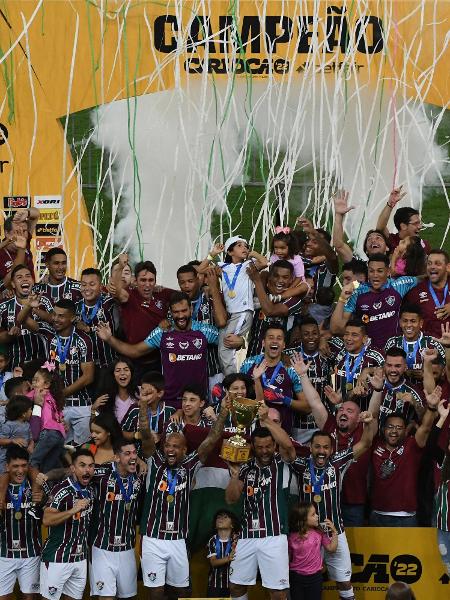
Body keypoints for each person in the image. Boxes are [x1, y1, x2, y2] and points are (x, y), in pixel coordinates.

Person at [139, 394, 230, 599]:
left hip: (178, 539)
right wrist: (143, 408)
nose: (170, 450)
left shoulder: (190, 466)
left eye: (175, 447)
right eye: (167, 446)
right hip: (153, 538)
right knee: (156, 592)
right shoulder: (155, 462)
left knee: (181, 591)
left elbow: (212, 439)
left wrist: (223, 412)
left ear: (184, 450)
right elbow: (145, 434)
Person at [292, 352, 383, 527]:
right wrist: (303, 375)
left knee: (351, 548)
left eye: (350, 411)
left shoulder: (365, 429)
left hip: (353, 502)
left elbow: (373, 413)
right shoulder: (329, 424)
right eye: (341, 410)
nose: (343, 413)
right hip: (325, 499)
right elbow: (315, 403)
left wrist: (377, 390)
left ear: (358, 418)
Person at [291, 419, 376, 600]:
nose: (321, 451)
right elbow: (285, 448)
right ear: (310, 447)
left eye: (326, 447)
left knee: (344, 581)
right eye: (317, 447)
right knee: (305, 581)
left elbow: (366, 443)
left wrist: (369, 424)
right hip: (308, 535)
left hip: (334, 531)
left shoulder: (338, 462)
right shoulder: (301, 465)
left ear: (331, 449)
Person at [97, 291, 219, 409]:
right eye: (176, 312)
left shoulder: (204, 331)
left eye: (184, 311)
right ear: (170, 312)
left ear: (191, 309)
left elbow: (226, 341)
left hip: (197, 403)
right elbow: (134, 351)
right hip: (170, 404)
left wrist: (238, 340)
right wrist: (109, 339)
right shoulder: (162, 332)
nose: (181, 316)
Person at [225, 405, 297, 600]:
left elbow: (288, 446)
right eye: (259, 447)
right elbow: (231, 498)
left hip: (274, 536)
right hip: (247, 535)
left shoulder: (281, 463)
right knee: (236, 586)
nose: (264, 451)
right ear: (252, 447)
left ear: (274, 445)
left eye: (268, 446)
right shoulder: (245, 468)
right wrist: (234, 475)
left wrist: (265, 420)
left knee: (278, 593)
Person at [369, 386, 440, 526]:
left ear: (406, 430)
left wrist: (431, 408)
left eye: (399, 428)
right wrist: (377, 391)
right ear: (383, 430)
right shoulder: (374, 444)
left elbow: (425, 429)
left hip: (406, 518)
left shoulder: (411, 446)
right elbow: (373, 416)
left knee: (406, 550)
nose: (394, 431)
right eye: (390, 427)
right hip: (377, 514)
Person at [200, 236, 268, 375]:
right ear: (230, 252)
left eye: (245, 245)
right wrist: (212, 254)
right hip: (231, 314)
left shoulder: (248, 265)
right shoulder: (223, 267)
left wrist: (253, 253)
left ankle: (233, 380)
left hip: (243, 311)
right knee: (224, 346)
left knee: (226, 346)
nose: (244, 248)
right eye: (239, 245)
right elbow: (201, 269)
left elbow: (265, 262)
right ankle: (232, 379)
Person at [89, 437, 146, 600]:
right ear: (116, 457)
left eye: (135, 453)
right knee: (105, 597)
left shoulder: (140, 474)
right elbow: (78, 472)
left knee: (128, 597)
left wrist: (137, 459)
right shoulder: (101, 473)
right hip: (102, 547)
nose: (133, 457)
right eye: (127, 453)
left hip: (127, 548)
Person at [330, 253, 419, 348]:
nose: (375, 275)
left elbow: (424, 278)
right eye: (371, 271)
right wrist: (342, 298)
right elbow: (336, 329)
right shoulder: (358, 293)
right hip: (370, 353)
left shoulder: (399, 285)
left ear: (388, 271)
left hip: (395, 351)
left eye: (380, 271)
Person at [40, 448, 95, 600]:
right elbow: (47, 520)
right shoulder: (61, 490)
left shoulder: (90, 489)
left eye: (91, 466)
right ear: (72, 468)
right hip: (57, 558)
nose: (87, 470)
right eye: (82, 465)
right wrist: (73, 510)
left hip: (79, 559)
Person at [109, 255, 175, 373]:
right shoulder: (129, 295)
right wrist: (120, 266)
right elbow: (116, 288)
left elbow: (185, 296)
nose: (147, 284)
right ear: (135, 280)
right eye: (143, 280)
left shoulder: (162, 294)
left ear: (155, 280)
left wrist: (206, 288)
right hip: (134, 363)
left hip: (158, 361)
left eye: (151, 280)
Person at [240, 323, 308, 435]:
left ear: (284, 345)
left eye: (279, 338)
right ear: (263, 342)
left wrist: (283, 399)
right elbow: (240, 396)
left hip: (282, 432)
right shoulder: (249, 364)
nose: (275, 341)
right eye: (270, 337)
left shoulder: (291, 368)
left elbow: (307, 407)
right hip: (253, 431)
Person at [0, 446, 47, 600]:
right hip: (4, 554)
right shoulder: (2, 487)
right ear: (7, 466)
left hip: (31, 554)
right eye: (15, 466)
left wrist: (44, 500)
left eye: (23, 465)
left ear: (28, 465)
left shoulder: (36, 487)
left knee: (30, 597)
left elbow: (51, 504)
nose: (20, 471)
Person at [176, 263, 226, 397]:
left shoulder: (210, 298)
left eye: (190, 281)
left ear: (198, 280)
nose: (187, 285)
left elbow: (221, 321)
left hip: (213, 369)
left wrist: (214, 287)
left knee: (216, 411)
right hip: (186, 372)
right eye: (183, 282)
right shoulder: (175, 304)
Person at [283, 317, 332, 439]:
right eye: (306, 334)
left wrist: (323, 339)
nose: (311, 337)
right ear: (300, 336)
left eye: (315, 333)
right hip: (298, 424)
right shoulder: (290, 355)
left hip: (323, 421)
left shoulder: (328, 351)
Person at [246, 260, 306, 358]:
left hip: (280, 361)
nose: (280, 280)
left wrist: (257, 280)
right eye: (276, 276)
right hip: (254, 355)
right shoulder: (260, 293)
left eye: (285, 277)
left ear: (291, 280)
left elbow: (270, 311)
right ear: (270, 277)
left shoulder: (294, 300)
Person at [0, 265, 51, 368]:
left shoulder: (44, 301)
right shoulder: (3, 306)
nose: (24, 279)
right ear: (13, 284)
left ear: (32, 281)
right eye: (19, 277)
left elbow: (54, 322)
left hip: (41, 368)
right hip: (14, 368)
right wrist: (10, 335)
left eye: (28, 276)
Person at [422, 399, 450, 575]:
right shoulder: (444, 458)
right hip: (443, 521)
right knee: (445, 556)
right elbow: (431, 444)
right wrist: (442, 417)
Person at [288, 502, 338, 600]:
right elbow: (288, 558)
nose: (317, 516)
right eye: (313, 514)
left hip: (315, 578)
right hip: (296, 577)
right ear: (303, 519)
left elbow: (331, 549)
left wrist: (334, 532)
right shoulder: (291, 537)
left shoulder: (319, 533)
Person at [332, 319, 384, 410]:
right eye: (346, 334)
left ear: (365, 338)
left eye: (354, 335)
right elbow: (322, 337)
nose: (348, 338)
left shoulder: (375, 355)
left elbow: (389, 370)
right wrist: (322, 341)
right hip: (339, 410)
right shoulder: (339, 351)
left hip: (365, 414)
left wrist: (367, 370)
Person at [385, 303, 446, 380]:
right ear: (400, 323)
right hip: (400, 390)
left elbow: (445, 371)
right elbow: (385, 369)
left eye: (413, 321)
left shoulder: (433, 342)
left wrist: (427, 374)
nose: (409, 325)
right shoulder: (392, 343)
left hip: (427, 390)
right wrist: (403, 372)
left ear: (421, 323)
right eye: (405, 321)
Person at [75, 267, 119, 369]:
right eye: (84, 284)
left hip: (108, 365)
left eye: (92, 284)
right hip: (83, 367)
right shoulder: (76, 306)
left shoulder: (109, 303)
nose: (87, 288)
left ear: (100, 286)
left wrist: (89, 329)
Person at [28, 363, 66, 473]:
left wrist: (7, 401)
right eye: (33, 380)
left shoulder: (38, 393)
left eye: (36, 380)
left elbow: (22, 400)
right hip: (60, 435)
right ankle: (50, 488)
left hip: (48, 432)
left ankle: (35, 489)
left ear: (47, 384)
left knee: (33, 462)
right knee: (48, 467)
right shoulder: (54, 397)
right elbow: (60, 416)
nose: (33, 383)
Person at [405, 249, 450, 338]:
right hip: (427, 346)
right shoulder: (416, 291)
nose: (432, 267)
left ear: (448, 267)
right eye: (429, 263)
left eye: (437, 263)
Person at [121, 371, 175, 445]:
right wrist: (138, 435)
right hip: (138, 454)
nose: (143, 393)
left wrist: (159, 436)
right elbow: (123, 432)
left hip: (162, 453)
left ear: (160, 393)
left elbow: (175, 436)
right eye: (142, 389)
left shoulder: (170, 410)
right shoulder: (135, 409)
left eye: (149, 392)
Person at [375, 187, 431, 254]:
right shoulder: (392, 241)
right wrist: (390, 204)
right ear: (403, 226)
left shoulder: (424, 245)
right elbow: (380, 228)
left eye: (420, 223)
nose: (420, 227)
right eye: (416, 223)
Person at [377, 347, 425, 427]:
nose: (393, 370)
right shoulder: (373, 384)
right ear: (384, 366)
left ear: (405, 367)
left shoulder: (414, 392)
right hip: (372, 438)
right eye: (389, 365)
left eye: (398, 366)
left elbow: (425, 421)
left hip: (400, 439)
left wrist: (415, 404)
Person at [33, 248, 82, 317]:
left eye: (63, 263)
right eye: (56, 263)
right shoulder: (36, 290)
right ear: (47, 264)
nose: (60, 267)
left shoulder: (78, 288)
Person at [0, 208, 40, 291]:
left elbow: (36, 214)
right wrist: (21, 249)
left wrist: (27, 213)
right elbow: (8, 282)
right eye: (17, 231)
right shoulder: (1, 253)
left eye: (24, 231)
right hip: (8, 299)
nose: (22, 235)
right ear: (7, 233)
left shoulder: (25, 240)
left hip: (31, 296)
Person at [91, 358, 138, 425]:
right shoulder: (105, 398)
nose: (122, 373)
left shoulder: (140, 393)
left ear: (131, 373)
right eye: (118, 371)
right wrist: (94, 410)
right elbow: (96, 427)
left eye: (126, 370)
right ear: (113, 375)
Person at [206, 509, 239, 598]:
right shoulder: (212, 540)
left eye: (225, 517)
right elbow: (213, 562)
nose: (221, 519)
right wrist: (228, 558)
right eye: (218, 517)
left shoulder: (238, 540)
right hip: (214, 585)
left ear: (232, 524)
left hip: (234, 584)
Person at [0, 395, 33, 473]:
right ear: (23, 414)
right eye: (30, 409)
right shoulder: (8, 425)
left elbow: (31, 438)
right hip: (6, 459)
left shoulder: (27, 424)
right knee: (5, 478)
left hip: (22, 458)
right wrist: (12, 441)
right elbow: (1, 440)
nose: (31, 411)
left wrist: (31, 445)